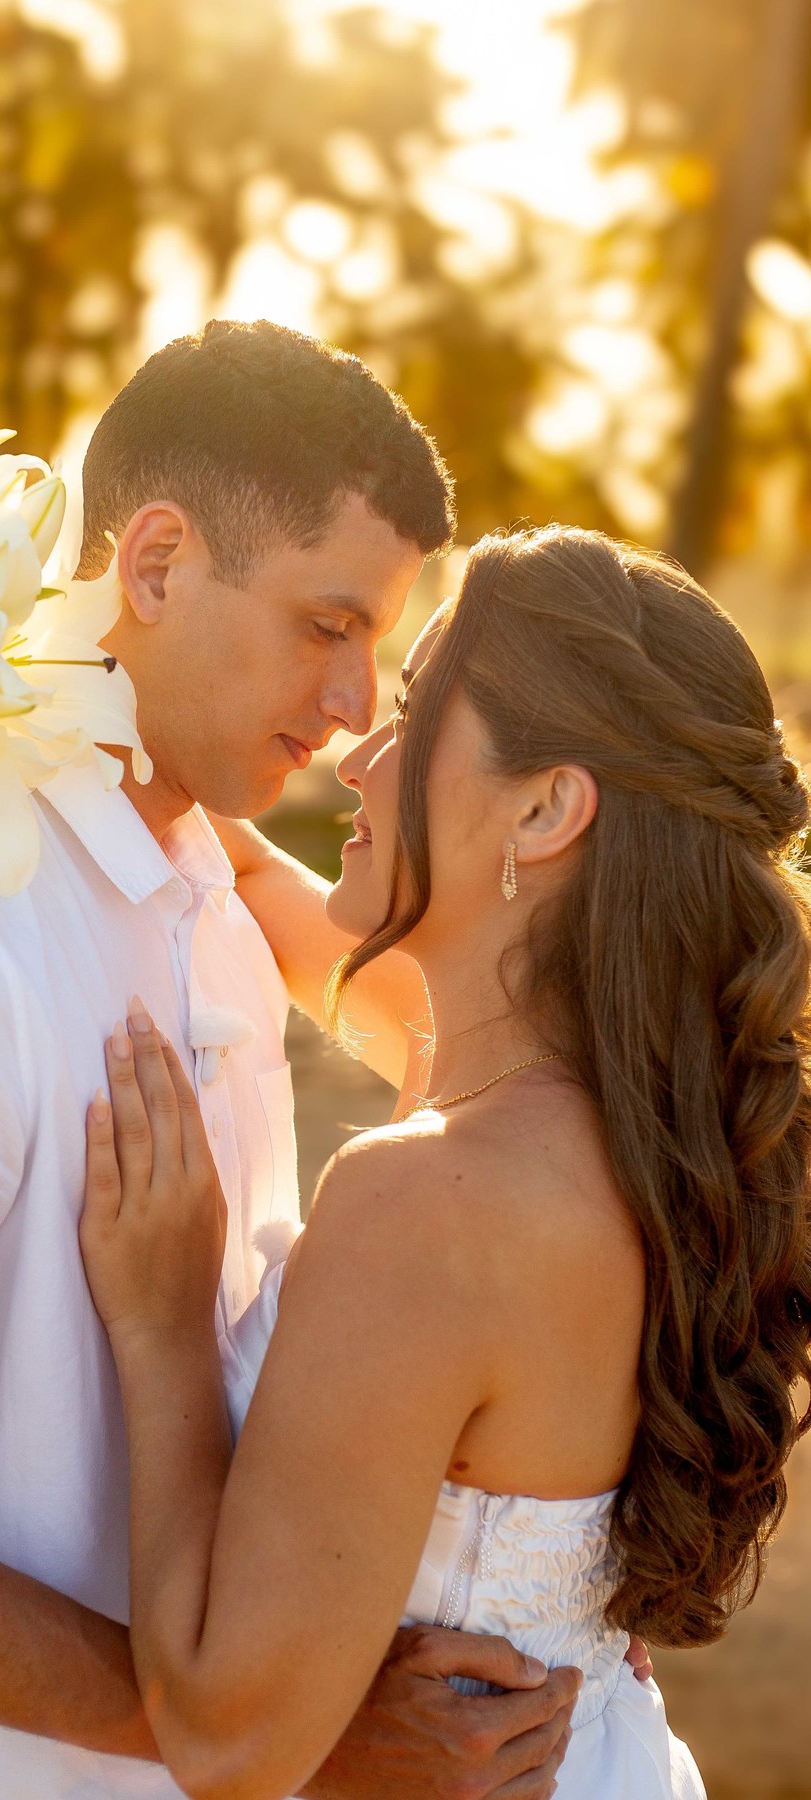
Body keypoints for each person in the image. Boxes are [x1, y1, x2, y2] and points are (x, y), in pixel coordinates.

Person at [0, 321, 585, 1800]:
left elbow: (482, 1068)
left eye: (377, 644)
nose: (354, 708)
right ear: (157, 564)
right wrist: (275, 1730)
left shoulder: (208, 884)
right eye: (328, 626)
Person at [80, 525, 811, 1800]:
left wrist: (162, 1326)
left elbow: (223, 1734)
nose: (356, 755)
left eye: (414, 708)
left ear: (544, 807)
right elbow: (247, 877)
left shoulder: (427, 1203)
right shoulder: (647, 1126)